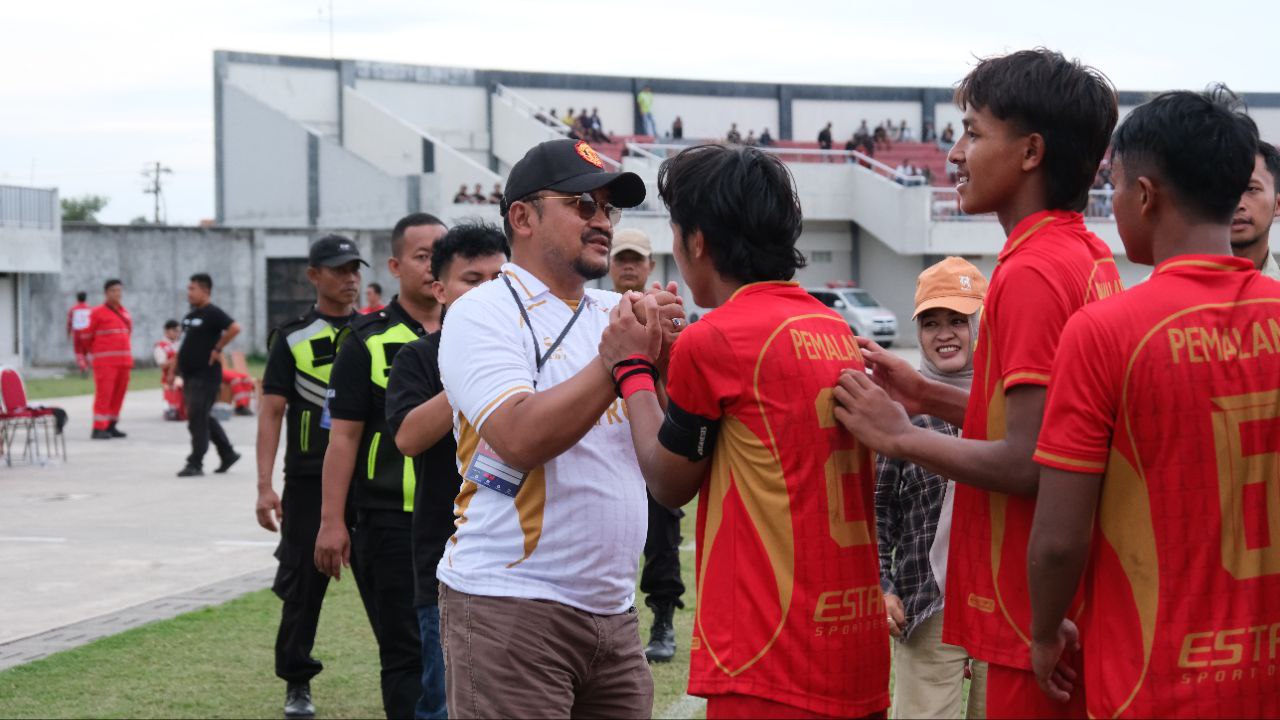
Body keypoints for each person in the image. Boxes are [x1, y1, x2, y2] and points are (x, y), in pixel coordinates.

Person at [832, 48, 1121, 719]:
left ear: (1030, 153)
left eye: (973, 132)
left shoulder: (1031, 271)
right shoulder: (1085, 251)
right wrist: (928, 395)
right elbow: (1059, 424)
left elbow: (1029, 463)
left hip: (1033, 611)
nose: (955, 154)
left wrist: (901, 438)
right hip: (1076, 599)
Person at [599, 142, 888, 719]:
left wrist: (629, 368)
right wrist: (668, 373)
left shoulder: (719, 338)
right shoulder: (829, 324)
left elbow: (668, 481)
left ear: (697, 241)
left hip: (771, 654)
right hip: (853, 640)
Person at [1027, 87, 1280, 719]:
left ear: (1144, 195)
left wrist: (1043, 629)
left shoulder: (1105, 331)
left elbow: (1060, 539)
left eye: (1112, 189)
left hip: (1155, 682)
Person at [435, 138, 678, 717]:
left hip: (615, 614)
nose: (602, 223)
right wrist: (617, 361)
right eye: (582, 205)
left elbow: (669, 454)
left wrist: (669, 367)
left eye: (608, 209)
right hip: (509, 606)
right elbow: (518, 438)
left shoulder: (613, 316)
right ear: (522, 216)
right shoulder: (481, 311)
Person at [314, 213, 445, 720]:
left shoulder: (480, 332)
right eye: (421, 255)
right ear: (395, 265)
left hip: (464, 516)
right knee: (406, 651)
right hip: (390, 521)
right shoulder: (365, 340)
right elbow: (342, 438)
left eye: (441, 252)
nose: (433, 263)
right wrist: (331, 522)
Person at [386, 223, 510, 720]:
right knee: (445, 705)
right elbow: (408, 437)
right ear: (440, 289)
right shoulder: (418, 358)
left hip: (520, 561)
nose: (487, 291)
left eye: (499, 279)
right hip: (447, 559)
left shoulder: (527, 349)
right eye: (471, 279)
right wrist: (463, 375)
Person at [256, 234, 364, 720]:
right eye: (339, 269)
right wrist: (264, 486)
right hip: (305, 482)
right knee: (302, 585)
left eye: (354, 269)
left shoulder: (377, 331)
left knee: (397, 589)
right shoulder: (291, 336)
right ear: (313, 275)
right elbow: (271, 412)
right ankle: (296, 682)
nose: (350, 278)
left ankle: (412, 678)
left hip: (373, 481)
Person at [878, 257, 989, 719]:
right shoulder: (900, 407)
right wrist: (882, 586)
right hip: (926, 606)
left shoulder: (1010, 401)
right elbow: (878, 511)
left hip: (1003, 605)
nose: (945, 334)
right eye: (931, 323)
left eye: (958, 321)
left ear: (980, 324)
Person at [606, 228, 686, 664]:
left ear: (651, 265)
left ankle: (661, 620)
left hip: (654, 442)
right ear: (610, 265)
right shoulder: (594, 314)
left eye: (636, 259)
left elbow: (677, 400)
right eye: (622, 259)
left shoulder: (669, 319)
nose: (629, 267)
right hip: (607, 447)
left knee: (663, 539)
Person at [177, 273, 241, 476]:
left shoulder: (213, 313)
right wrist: (173, 370)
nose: (188, 292)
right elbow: (183, 345)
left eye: (192, 288)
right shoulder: (190, 316)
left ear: (205, 290)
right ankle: (228, 453)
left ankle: (195, 462)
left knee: (197, 417)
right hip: (189, 375)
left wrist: (218, 348)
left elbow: (234, 327)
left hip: (206, 375)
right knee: (202, 415)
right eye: (188, 288)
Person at [86, 279, 133, 440]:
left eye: (119, 290)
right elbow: (86, 337)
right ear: (106, 293)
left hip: (124, 362)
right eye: (113, 290)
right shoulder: (96, 312)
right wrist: (88, 355)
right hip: (105, 363)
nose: (117, 294)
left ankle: (111, 425)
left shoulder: (125, 312)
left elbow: (128, 334)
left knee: (119, 394)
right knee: (104, 395)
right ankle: (98, 428)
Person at [1230, 141, 1280, 279]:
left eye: (1251, 189)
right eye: (1226, 190)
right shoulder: (1178, 290)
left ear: (1278, 204)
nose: (1238, 204)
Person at [154, 319, 184, 421]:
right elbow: (162, 365)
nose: (177, 333)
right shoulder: (161, 346)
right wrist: (176, 359)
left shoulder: (180, 344)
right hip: (169, 378)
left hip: (182, 375)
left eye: (179, 331)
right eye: (175, 331)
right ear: (167, 331)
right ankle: (172, 411)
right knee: (171, 401)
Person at [67, 291, 92, 374]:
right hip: (87, 333)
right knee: (86, 352)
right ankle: (86, 366)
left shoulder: (73, 309)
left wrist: (68, 333)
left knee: (78, 352)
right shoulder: (90, 309)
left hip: (77, 333)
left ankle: (83, 367)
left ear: (77, 298)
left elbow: (69, 323)